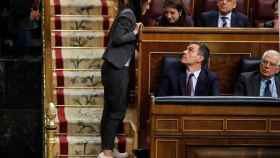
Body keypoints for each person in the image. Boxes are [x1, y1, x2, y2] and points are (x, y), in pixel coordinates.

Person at [98, 1, 151, 158]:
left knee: (110, 110)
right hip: (115, 69)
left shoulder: (129, 14)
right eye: (147, 3)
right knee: (116, 111)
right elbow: (116, 38)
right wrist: (134, 32)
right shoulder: (128, 14)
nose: (148, 7)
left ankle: (107, 149)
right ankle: (106, 153)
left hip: (116, 67)